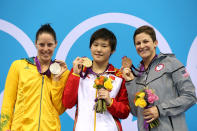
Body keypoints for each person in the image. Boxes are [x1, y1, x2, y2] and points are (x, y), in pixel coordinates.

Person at [122, 25, 197, 131]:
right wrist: (130, 82)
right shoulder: (136, 73)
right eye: (138, 43)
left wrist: (160, 109)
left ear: (155, 43)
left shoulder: (171, 63)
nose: (142, 46)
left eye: (145, 41)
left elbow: (190, 96)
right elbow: (135, 112)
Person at [0, 24, 70, 131]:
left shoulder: (62, 72)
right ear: (35, 44)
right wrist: (4, 128)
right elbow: (8, 102)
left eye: (49, 44)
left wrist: (56, 80)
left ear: (55, 44)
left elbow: (59, 109)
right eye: (42, 44)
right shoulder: (19, 66)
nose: (45, 49)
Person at [62, 28, 130, 131]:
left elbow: (124, 112)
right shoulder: (79, 71)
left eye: (104, 46)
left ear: (112, 50)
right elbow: (68, 103)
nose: (98, 49)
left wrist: (110, 102)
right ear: (90, 47)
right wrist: (75, 74)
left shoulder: (119, 76)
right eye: (95, 45)